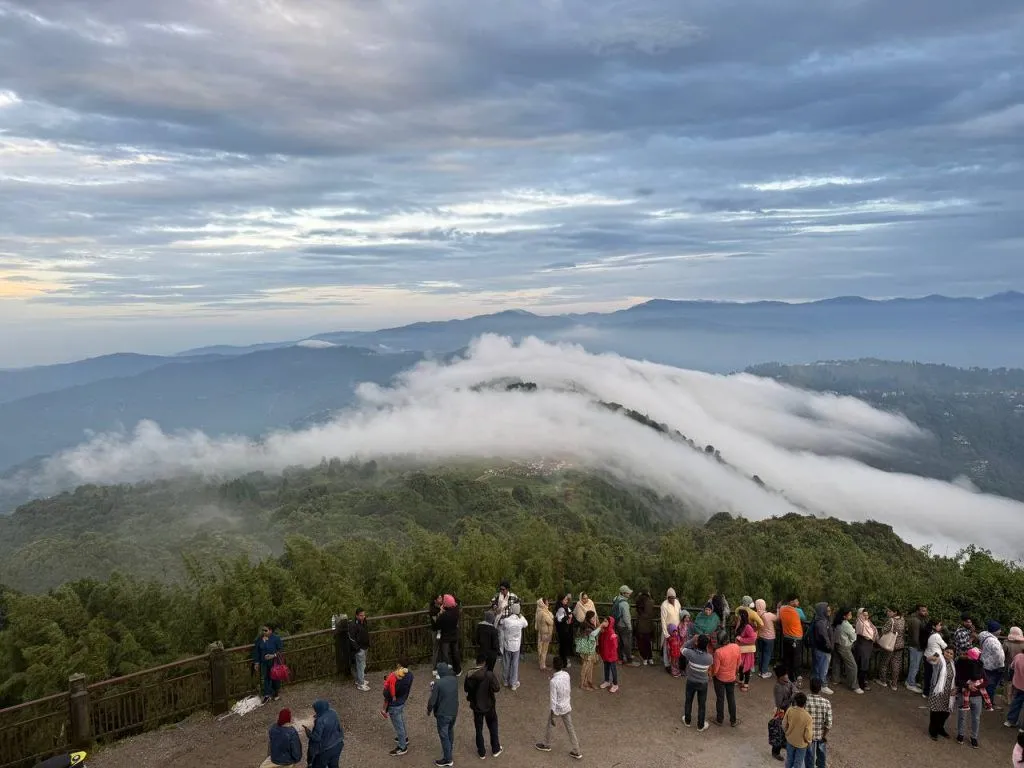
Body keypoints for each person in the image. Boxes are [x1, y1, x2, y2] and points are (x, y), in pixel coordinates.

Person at [535, 656, 583, 760]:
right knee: (570, 729)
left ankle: (546, 744)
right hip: (566, 706)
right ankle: (577, 750)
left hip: (557, 708)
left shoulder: (553, 681)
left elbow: (553, 699)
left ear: (553, 666)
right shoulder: (566, 675)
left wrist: (552, 713)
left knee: (549, 726)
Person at [465, 652, 502, 759]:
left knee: (478, 729)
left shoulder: (470, 675)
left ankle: (481, 752)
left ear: (476, 662)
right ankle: (495, 748)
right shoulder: (489, 674)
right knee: (493, 726)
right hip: (489, 705)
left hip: (476, 706)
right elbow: (497, 688)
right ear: (484, 663)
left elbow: (466, 689)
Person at [957, 647, 993, 748]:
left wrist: (976, 686)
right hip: (964, 694)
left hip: (976, 697)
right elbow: (958, 680)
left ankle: (974, 737)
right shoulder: (961, 666)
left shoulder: (979, 667)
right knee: (962, 716)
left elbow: (986, 681)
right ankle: (961, 734)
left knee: (976, 718)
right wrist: (968, 686)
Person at [427, 662, 459, 768]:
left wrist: (429, 710)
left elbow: (432, 701)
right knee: (450, 731)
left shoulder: (438, 683)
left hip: (443, 714)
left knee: (444, 735)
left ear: (440, 672)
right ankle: (449, 750)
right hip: (453, 712)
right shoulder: (454, 680)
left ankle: (448, 759)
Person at [381, 658, 414, 756]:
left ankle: (402, 747)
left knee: (398, 725)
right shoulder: (410, 675)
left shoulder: (396, 678)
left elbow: (388, 693)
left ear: (399, 665)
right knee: (401, 720)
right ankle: (404, 738)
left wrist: (386, 685)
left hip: (394, 705)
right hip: (402, 701)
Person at [681, 634, 714, 731]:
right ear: (707, 645)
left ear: (697, 643)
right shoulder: (709, 658)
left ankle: (687, 721)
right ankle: (700, 725)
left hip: (691, 681)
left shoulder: (690, 653)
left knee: (689, 700)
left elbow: (682, 647)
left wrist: (692, 640)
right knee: (702, 704)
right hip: (703, 683)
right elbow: (709, 669)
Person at [710, 629, 740, 727]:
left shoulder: (718, 652)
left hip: (720, 679)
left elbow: (716, 669)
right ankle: (733, 720)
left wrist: (712, 674)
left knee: (720, 699)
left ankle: (719, 720)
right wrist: (734, 673)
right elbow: (739, 663)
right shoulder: (736, 647)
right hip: (731, 677)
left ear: (719, 641)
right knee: (731, 698)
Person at [927, 646, 956, 741]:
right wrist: (932, 657)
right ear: (944, 652)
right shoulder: (939, 660)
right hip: (938, 690)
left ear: (953, 656)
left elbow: (954, 678)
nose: (948, 654)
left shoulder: (953, 664)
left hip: (948, 692)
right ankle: (933, 731)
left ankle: (940, 728)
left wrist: (955, 688)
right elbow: (929, 660)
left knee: (945, 712)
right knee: (936, 711)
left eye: (951, 653)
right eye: (947, 652)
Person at [304, 700, 343, 768]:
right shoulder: (333, 712)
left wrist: (308, 733)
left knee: (318, 765)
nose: (315, 711)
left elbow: (316, 738)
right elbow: (338, 726)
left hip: (327, 749)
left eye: (315, 710)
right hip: (338, 744)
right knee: (333, 765)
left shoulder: (320, 721)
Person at [771, 665, 798, 762]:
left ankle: (784, 744)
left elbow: (793, 687)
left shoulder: (786, 680)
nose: (787, 681)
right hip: (781, 712)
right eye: (785, 680)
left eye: (787, 679)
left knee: (786, 730)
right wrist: (791, 698)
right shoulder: (778, 687)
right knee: (778, 732)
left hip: (788, 711)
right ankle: (775, 752)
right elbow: (780, 704)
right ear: (779, 679)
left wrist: (794, 691)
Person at [498, 603, 528, 690]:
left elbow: (501, 623)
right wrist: (521, 615)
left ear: (511, 610)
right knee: (515, 664)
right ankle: (514, 683)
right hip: (516, 646)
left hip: (507, 644)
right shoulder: (521, 621)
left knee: (506, 663)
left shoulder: (507, 620)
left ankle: (506, 681)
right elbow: (526, 624)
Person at [252, 624, 284, 703]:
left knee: (275, 678)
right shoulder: (259, 639)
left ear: (270, 631)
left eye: (265, 630)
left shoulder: (276, 639)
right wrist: (256, 662)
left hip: (274, 662)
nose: (264, 632)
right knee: (266, 678)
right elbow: (256, 651)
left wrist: (273, 655)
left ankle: (275, 694)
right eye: (263, 630)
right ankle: (267, 695)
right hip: (264, 663)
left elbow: (281, 650)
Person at [877, 607, 906, 691]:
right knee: (896, 664)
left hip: (890, 645)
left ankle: (883, 681)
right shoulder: (902, 619)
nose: (888, 612)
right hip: (900, 645)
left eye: (890, 611)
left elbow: (884, 630)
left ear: (895, 612)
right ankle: (894, 684)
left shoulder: (891, 620)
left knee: (884, 662)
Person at [805, 679, 832, 768]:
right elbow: (828, 724)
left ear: (810, 687)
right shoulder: (826, 702)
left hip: (807, 735)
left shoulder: (804, 700)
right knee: (821, 756)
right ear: (820, 688)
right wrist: (824, 736)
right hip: (820, 734)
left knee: (809, 757)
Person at [831, 608, 859, 693]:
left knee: (836, 662)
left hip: (836, 644)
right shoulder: (846, 625)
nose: (851, 616)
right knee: (852, 666)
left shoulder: (837, 623)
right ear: (844, 616)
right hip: (844, 646)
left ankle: (835, 680)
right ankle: (854, 685)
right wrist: (854, 631)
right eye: (849, 614)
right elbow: (854, 637)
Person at [782, 692, 812, 768]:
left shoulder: (790, 710)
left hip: (790, 740)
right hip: (801, 744)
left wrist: (787, 733)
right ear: (805, 703)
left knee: (789, 760)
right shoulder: (808, 717)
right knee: (798, 763)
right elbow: (808, 734)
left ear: (795, 701)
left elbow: (784, 724)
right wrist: (808, 742)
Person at [980, 620, 1007, 704]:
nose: (1000, 631)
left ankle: (984, 700)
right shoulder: (994, 641)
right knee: (991, 685)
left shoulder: (983, 635)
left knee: (985, 683)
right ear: (995, 630)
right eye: (999, 629)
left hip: (984, 663)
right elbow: (1000, 656)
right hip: (993, 667)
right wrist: (1001, 665)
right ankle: (989, 703)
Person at [810, 603, 834, 695]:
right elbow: (824, 637)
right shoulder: (821, 622)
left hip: (819, 648)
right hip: (823, 649)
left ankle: (816, 685)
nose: (829, 612)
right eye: (827, 611)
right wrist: (830, 647)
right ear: (822, 611)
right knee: (823, 669)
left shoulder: (820, 620)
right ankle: (823, 686)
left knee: (817, 668)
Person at [435, 595, 462, 678]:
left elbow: (437, 625)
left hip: (446, 637)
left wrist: (440, 612)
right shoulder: (456, 611)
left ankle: (444, 672)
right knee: (455, 653)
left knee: (445, 655)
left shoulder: (444, 615)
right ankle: (458, 670)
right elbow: (456, 605)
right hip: (454, 635)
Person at [779, 597, 804, 682]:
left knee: (787, 659)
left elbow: (779, 609)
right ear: (791, 601)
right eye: (796, 600)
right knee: (796, 659)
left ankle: (788, 678)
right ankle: (796, 678)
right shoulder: (798, 611)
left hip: (786, 638)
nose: (798, 602)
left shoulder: (782, 609)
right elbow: (803, 618)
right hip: (796, 639)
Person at [905, 604, 929, 693]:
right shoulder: (915, 620)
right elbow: (915, 636)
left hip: (916, 646)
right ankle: (911, 684)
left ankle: (910, 681)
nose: (925, 612)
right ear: (917, 611)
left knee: (914, 665)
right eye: (923, 610)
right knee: (914, 666)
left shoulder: (918, 619)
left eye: (926, 610)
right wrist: (919, 647)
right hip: (916, 647)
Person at [853, 608, 877, 693]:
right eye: (864, 615)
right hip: (862, 645)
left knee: (865, 664)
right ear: (860, 614)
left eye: (867, 615)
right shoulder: (859, 622)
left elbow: (874, 631)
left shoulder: (868, 622)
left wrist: (872, 636)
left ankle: (863, 682)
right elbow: (865, 635)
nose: (866, 617)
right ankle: (861, 684)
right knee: (862, 664)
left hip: (868, 645)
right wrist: (871, 636)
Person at [612, 585, 637, 665]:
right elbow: (626, 617)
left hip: (618, 624)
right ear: (623, 593)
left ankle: (620, 658)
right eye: (628, 593)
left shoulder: (616, 599)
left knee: (620, 643)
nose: (629, 594)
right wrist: (629, 626)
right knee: (627, 643)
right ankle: (629, 660)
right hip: (624, 626)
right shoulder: (624, 604)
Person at [348, 608, 371, 692]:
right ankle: (361, 684)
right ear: (356, 615)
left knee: (363, 665)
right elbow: (351, 638)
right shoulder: (353, 625)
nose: (363, 617)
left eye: (364, 615)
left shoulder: (364, 621)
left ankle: (359, 680)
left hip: (365, 646)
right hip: (359, 648)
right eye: (361, 615)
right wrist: (357, 648)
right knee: (360, 666)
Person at [577, 610, 600, 690]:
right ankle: (582, 684)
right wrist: (600, 626)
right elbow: (593, 634)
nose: (594, 619)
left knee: (590, 666)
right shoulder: (586, 625)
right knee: (585, 666)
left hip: (591, 648)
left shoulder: (590, 624)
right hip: (586, 649)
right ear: (589, 618)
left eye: (595, 617)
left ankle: (589, 681)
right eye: (593, 618)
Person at [597, 616, 621, 693]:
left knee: (613, 670)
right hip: (605, 654)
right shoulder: (603, 631)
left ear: (610, 623)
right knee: (606, 668)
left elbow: (615, 645)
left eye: (606, 621)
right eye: (604, 621)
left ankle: (615, 684)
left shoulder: (611, 632)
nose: (604, 622)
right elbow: (601, 642)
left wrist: (610, 653)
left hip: (611, 655)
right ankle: (607, 681)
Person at [924, 620, 947, 697]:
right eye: (939, 625)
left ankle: (926, 692)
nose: (941, 627)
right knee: (934, 675)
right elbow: (945, 646)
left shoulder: (930, 633)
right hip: (934, 657)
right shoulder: (937, 636)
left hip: (927, 654)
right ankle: (931, 692)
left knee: (928, 675)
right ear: (934, 626)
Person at [736, 610, 758, 691]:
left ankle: (746, 683)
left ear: (742, 616)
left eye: (738, 615)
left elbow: (753, 638)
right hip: (741, 649)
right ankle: (741, 680)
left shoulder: (747, 626)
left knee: (747, 666)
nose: (737, 616)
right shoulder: (740, 624)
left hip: (747, 650)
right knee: (741, 666)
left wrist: (741, 639)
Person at [661, 588, 682, 671]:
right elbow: (663, 620)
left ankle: (674, 663)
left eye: (673, 597)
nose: (672, 599)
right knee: (667, 647)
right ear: (667, 597)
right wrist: (666, 634)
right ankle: (667, 665)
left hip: (676, 630)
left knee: (676, 647)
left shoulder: (677, 602)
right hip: (668, 630)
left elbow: (680, 614)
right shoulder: (664, 605)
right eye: (670, 597)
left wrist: (680, 627)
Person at [756, 598, 778, 679]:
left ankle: (760, 670)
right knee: (767, 654)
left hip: (760, 636)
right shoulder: (768, 615)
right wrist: (778, 610)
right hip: (769, 637)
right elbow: (777, 618)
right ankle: (764, 672)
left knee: (761, 653)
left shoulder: (756, 614)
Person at [635, 589, 657, 666]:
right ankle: (650, 658)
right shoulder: (651, 602)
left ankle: (645, 658)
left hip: (640, 625)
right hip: (649, 624)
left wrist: (639, 595)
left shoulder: (639, 601)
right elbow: (653, 602)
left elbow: (637, 603)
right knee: (648, 642)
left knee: (642, 643)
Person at [1005, 643, 1024, 728]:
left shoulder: (1018, 656)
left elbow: (1012, 666)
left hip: (1018, 684)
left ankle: (1010, 721)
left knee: (1016, 703)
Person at [555, 594, 575, 669]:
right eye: (565, 599)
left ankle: (563, 661)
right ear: (561, 600)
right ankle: (564, 662)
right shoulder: (561, 608)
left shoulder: (564, 607)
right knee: (563, 646)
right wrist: (567, 617)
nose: (567, 601)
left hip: (564, 629)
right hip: (563, 630)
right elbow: (559, 619)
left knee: (563, 646)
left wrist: (569, 616)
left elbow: (570, 613)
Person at [535, 597, 554, 670]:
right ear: (543, 603)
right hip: (546, 632)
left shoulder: (538, 611)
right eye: (547, 602)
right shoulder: (544, 612)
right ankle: (543, 665)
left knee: (540, 647)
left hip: (541, 631)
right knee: (544, 649)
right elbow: (550, 622)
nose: (548, 603)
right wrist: (552, 617)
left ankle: (541, 663)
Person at [429, 595, 445, 669]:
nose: (441, 599)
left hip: (442, 630)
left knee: (443, 648)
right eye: (439, 598)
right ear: (435, 600)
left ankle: (442, 666)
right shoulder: (432, 609)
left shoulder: (442, 606)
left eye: (441, 597)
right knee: (436, 649)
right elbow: (436, 621)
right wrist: (441, 612)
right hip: (435, 631)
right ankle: (434, 667)